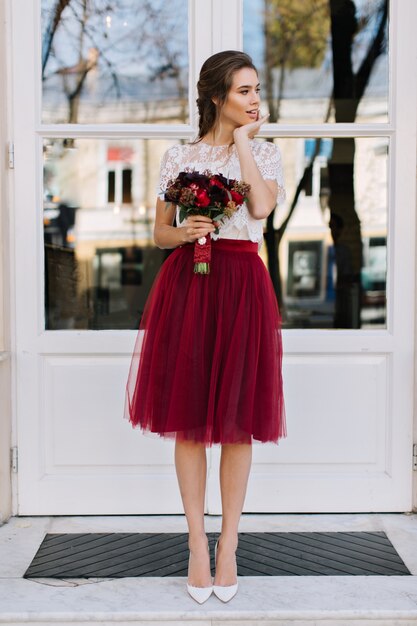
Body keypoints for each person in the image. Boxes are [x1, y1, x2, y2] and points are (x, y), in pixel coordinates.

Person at [124, 50, 286, 604]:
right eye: (244, 91)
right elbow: (158, 235)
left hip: (243, 286)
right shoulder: (178, 157)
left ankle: (229, 545)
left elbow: (261, 209)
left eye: (257, 90)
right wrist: (186, 228)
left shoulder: (263, 152)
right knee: (190, 422)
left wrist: (242, 141)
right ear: (217, 95)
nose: (255, 100)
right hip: (190, 288)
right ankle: (196, 541)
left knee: (238, 422)